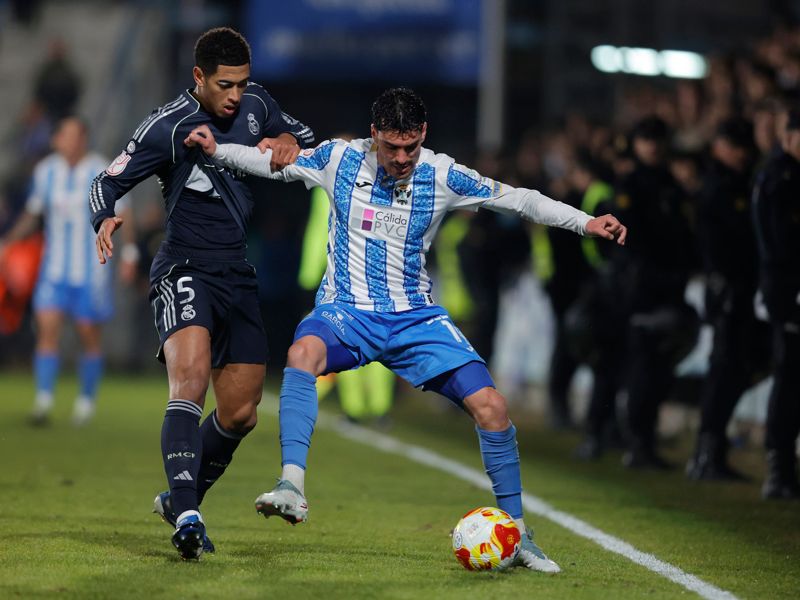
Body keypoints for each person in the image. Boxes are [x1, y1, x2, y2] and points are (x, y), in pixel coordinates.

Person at [185, 87, 627, 572]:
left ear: (424, 135)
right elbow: (266, 162)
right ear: (374, 134)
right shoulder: (339, 159)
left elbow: (518, 199)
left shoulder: (442, 174)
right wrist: (216, 149)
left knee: (493, 408)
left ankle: (519, 535)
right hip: (348, 312)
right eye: (391, 147)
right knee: (301, 354)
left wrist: (585, 222)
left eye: (411, 147)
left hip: (416, 319)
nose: (401, 158)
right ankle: (292, 485)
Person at [90, 27, 314, 559]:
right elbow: (106, 181)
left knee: (241, 413)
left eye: (242, 83)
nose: (235, 95)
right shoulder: (166, 126)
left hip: (237, 273)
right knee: (189, 382)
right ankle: (189, 517)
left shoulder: (258, 104)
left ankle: (180, 498)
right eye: (224, 85)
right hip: (184, 268)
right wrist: (104, 217)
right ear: (198, 77)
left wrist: (289, 140)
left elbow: (308, 140)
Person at [0, 116, 137, 426]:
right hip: (54, 269)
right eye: (65, 135)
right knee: (47, 329)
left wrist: (129, 253)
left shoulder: (102, 170)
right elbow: (33, 214)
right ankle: (43, 400)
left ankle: (86, 401)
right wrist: (8, 242)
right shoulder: (46, 171)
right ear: (56, 140)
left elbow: (125, 212)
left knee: (88, 335)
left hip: (91, 271)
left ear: (84, 139)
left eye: (76, 135)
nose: (70, 141)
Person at [686, 117, 767, 481]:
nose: (741, 153)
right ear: (719, 145)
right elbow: (715, 244)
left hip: (742, 289)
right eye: (734, 145)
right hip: (729, 290)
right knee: (725, 370)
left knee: (736, 368)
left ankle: (711, 450)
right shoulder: (717, 185)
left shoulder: (740, 181)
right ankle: (708, 452)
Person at [752, 107, 800, 500]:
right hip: (788, 291)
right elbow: (780, 243)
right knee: (789, 377)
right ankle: (779, 468)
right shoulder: (779, 178)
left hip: (786, 287)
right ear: (789, 136)